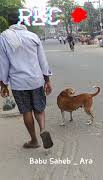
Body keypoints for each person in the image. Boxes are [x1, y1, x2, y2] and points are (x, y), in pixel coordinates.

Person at [0, 12, 53, 149]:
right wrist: (47, 80)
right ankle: (42, 130)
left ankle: (34, 140)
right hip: (36, 80)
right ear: (21, 21)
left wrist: (3, 84)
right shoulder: (33, 36)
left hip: (18, 83)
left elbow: (3, 63)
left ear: (8, 22)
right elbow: (43, 60)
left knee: (26, 111)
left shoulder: (4, 38)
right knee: (39, 109)